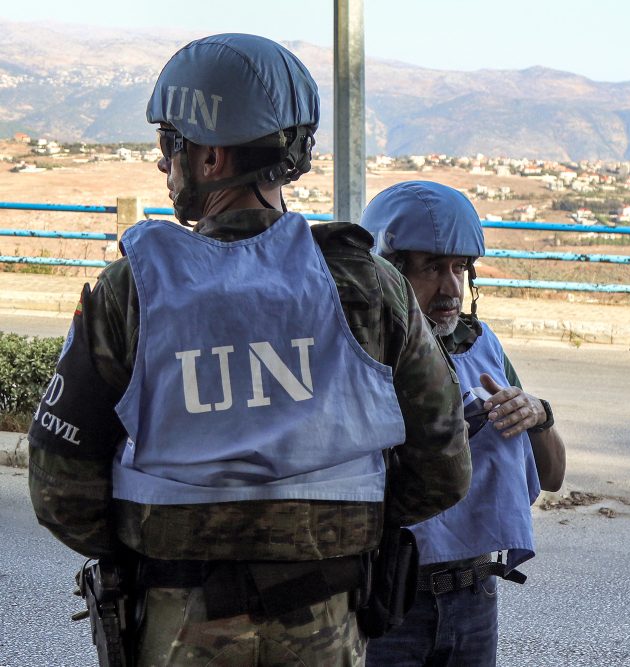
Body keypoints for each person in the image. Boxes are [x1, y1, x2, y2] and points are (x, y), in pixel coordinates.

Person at [27, 34, 471, 667]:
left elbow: (59, 490)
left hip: (178, 623)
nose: (163, 164)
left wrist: (160, 551)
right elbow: (444, 466)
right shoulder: (371, 286)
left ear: (209, 157)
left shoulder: (133, 289)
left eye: (169, 145)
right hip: (331, 622)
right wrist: (330, 534)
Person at [359, 181, 567, 667]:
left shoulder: (481, 346)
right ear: (389, 275)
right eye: (432, 268)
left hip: (474, 597)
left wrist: (538, 414)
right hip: (389, 599)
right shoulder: (362, 355)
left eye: (459, 268)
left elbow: (553, 476)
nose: (451, 288)